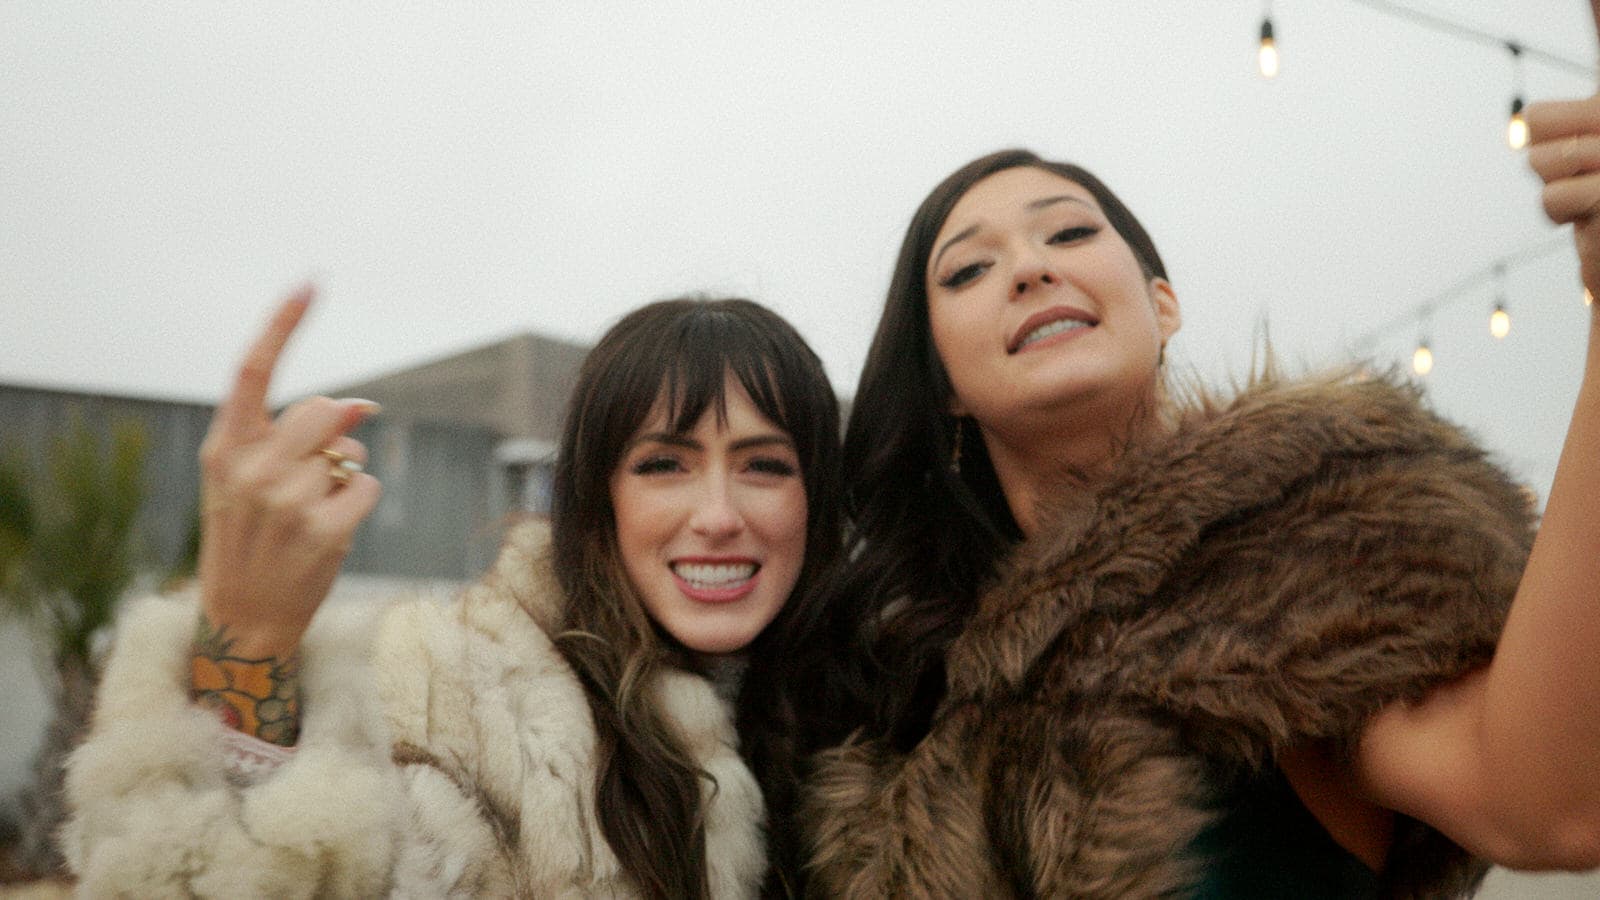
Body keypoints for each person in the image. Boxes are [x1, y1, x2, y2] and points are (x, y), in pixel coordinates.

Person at [750, 38, 1600, 900]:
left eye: (1071, 231)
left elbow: (1550, 805)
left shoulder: (1312, 559)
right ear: (941, 386)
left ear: (1163, 305)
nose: (1030, 268)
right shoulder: (878, 710)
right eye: (969, 268)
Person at [60, 292, 841, 898]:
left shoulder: (879, 717)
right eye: (663, 465)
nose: (717, 517)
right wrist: (248, 639)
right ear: (598, 502)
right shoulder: (447, 692)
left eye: (764, 465)